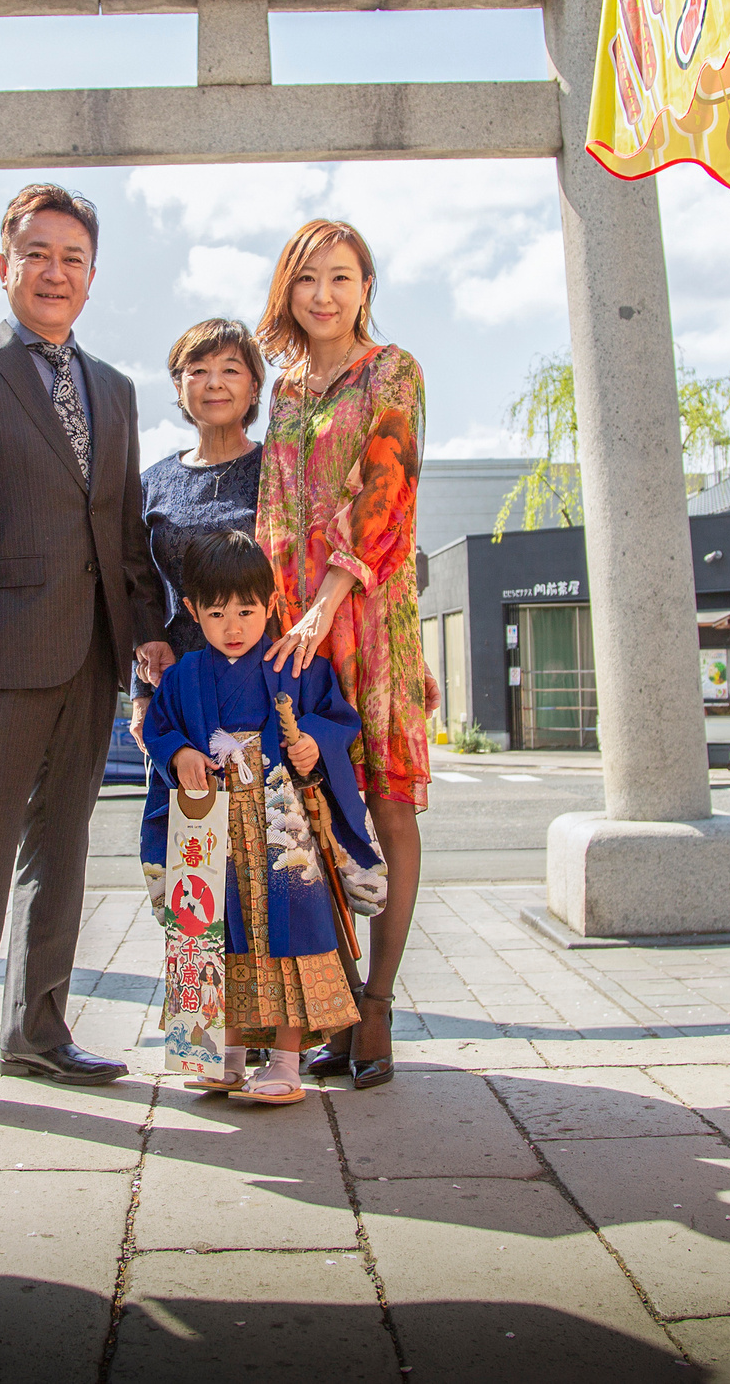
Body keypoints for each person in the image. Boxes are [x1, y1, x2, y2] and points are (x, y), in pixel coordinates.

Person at [0, 183, 170, 1122]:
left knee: (58, 850)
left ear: (92, 278)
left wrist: (145, 633)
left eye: (74, 258)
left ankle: (40, 1031)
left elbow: (123, 529)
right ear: (5, 263)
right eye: (39, 253)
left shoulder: (117, 390)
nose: (56, 271)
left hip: (91, 654)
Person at [255, 218, 430, 1090]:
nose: (324, 293)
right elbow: (274, 506)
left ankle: (382, 1007)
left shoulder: (393, 370)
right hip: (298, 627)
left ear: (366, 285)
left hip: (365, 609)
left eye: (342, 276)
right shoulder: (284, 389)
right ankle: (342, 1001)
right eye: (308, 279)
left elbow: (388, 492)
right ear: (288, 291)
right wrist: (282, 619)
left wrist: (328, 602)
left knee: (387, 806)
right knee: (316, 810)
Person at [138, 531, 382, 1104]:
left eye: (247, 610)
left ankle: (286, 1059)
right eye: (217, 612)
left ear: (270, 606)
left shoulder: (293, 664)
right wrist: (180, 752)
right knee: (216, 934)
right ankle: (220, 1056)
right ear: (193, 611)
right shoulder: (184, 676)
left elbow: (335, 718)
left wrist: (312, 744)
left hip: (281, 826)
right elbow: (159, 729)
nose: (234, 626)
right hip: (213, 825)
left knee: (289, 936)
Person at [130, 318, 266, 741]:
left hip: (267, 679)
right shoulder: (152, 482)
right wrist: (140, 694)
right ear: (178, 387)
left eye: (230, 369)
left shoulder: (281, 472)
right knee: (187, 804)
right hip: (177, 684)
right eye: (198, 370)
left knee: (271, 806)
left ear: (254, 388)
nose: (213, 383)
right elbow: (141, 588)